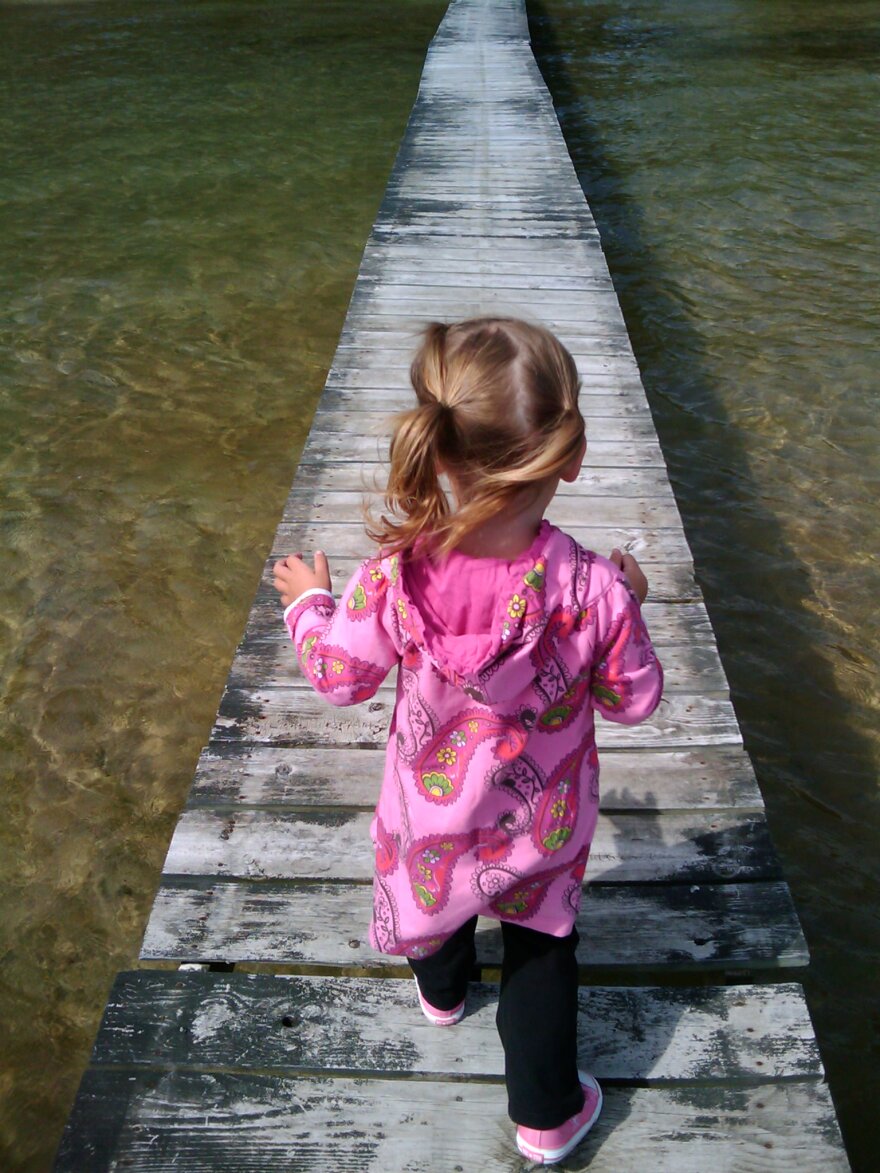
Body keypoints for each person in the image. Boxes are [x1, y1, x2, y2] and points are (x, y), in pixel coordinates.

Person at [273, 317, 663, 1165]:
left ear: (441, 455)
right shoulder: (592, 589)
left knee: (433, 889)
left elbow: (340, 676)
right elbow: (632, 700)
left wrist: (308, 603)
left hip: (433, 819)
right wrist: (628, 603)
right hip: (541, 829)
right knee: (541, 947)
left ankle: (444, 995)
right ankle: (547, 1118)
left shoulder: (395, 574)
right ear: (570, 458)